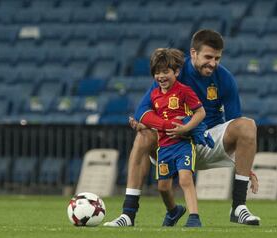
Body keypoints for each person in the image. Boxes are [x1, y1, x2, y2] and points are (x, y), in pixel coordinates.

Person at [104, 29, 260, 227]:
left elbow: (234, 124)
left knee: (247, 126)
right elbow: (142, 111)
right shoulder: (172, 70)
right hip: (173, 140)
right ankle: (128, 214)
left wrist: (245, 166)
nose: (212, 63)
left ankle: (238, 207)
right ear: (193, 53)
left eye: (217, 58)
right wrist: (169, 126)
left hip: (207, 140)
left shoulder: (225, 78)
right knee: (143, 136)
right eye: (208, 57)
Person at [144, 47, 212, 227]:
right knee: (163, 188)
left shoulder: (184, 90)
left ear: (176, 72)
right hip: (164, 147)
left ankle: (194, 217)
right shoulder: (154, 95)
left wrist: (186, 128)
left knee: (184, 179)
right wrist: (141, 125)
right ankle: (174, 211)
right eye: (157, 73)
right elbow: (156, 119)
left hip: (183, 144)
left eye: (165, 72)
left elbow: (201, 112)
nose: (161, 76)